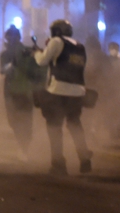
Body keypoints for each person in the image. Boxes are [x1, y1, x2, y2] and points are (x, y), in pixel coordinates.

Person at [33, 19, 92, 175]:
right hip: (78, 92)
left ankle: (58, 164)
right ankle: (84, 158)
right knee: (75, 124)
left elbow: (43, 61)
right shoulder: (80, 46)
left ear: (57, 31)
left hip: (58, 90)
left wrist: (37, 52)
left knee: (54, 127)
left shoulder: (56, 42)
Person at [0, 26, 40, 157]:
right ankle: (25, 147)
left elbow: (3, 71)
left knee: (14, 119)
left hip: (11, 90)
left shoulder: (5, 54)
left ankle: (24, 147)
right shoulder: (28, 51)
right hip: (26, 90)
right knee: (26, 119)